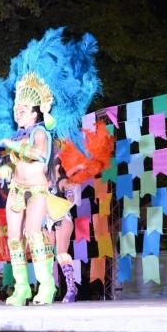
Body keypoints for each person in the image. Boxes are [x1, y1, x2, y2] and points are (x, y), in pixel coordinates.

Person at [0, 28, 101, 306]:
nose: (17, 112)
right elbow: (15, 163)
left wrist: (13, 147)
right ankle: (22, 288)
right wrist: (1, 170)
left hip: (37, 191)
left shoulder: (41, 133)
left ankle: (47, 286)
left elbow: (38, 155)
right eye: (16, 108)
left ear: (35, 111)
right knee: (14, 239)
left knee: (33, 233)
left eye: (22, 108)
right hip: (16, 190)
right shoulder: (17, 136)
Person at [50, 121, 114, 302]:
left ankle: (71, 288)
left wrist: (82, 167)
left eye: (55, 164)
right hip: (45, 220)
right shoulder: (39, 178)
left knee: (61, 252)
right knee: (45, 254)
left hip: (61, 217)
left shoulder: (64, 180)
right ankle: (47, 287)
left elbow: (70, 200)